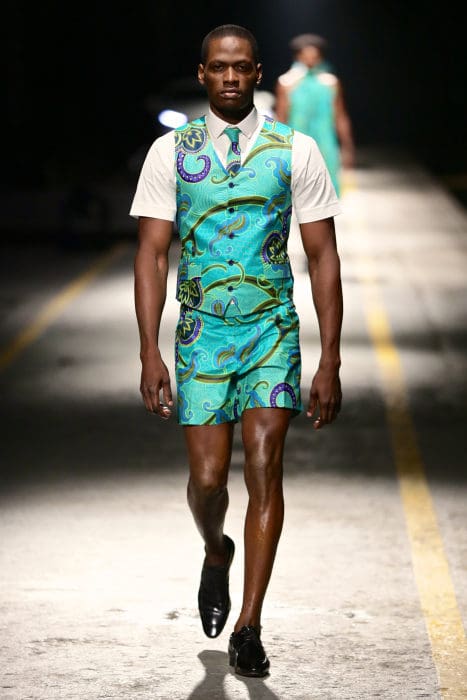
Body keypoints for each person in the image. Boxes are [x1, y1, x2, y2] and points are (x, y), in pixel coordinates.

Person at [130, 24, 343, 678]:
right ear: (203, 74)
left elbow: (322, 256)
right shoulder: (170, 152)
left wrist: (330, 359)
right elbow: (153, 253)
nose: (230, 77)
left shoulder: (296, 149)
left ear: (257, 73)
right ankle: (216, 549)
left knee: (264, 466)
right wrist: (149, 351)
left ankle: (249, 625)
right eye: (219, 67)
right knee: (207, 481)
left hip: (271, 331)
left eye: (241, 67)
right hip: (200, 334)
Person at [275, 33, 355, 196]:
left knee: (327, 185)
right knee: (298, 185)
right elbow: (281, 117)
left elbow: (340, 116)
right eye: (305, 56)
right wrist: (277, 148)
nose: (310, 59)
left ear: (320, 57)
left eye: (314, 56)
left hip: (325, 141)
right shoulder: (286, 82)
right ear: (298, 56)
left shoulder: (330, 82)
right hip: (296, 140)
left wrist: (347, 146)